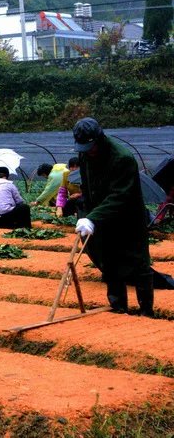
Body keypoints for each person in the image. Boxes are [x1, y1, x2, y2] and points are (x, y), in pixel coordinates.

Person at [73, 117, 153, 317]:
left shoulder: (122, 158)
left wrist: (93, 218)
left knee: (138, 263)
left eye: (90, 147)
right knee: (109, 262)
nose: (88, 151)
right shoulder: (85, 155)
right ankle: (118, 308)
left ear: (99, 139)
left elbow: (120, 195)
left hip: (128, 219)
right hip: (102, 218)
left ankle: (146, 311)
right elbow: (88, 185)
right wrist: (88, 213)